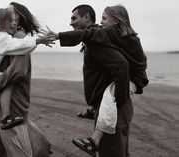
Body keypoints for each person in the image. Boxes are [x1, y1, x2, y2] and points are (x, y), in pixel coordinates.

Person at [46, 4, 148, 157]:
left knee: (111, 152)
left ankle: (94, 140)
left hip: (116, 104)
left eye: (74, 18)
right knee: (118, 151)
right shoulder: (112, 37)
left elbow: (121, 65)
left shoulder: (99, 37)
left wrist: (120, 100)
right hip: (115, 102)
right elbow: (106, 76)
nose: (71, 22)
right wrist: (95, 107)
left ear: (86, 17)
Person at [0, 2, 52, 157]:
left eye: (10, 13)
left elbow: (16, 73)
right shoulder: (5, 40)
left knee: (17, 152)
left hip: (12, 108)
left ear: (17, 18)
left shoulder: (19, 40)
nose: (6, 14)